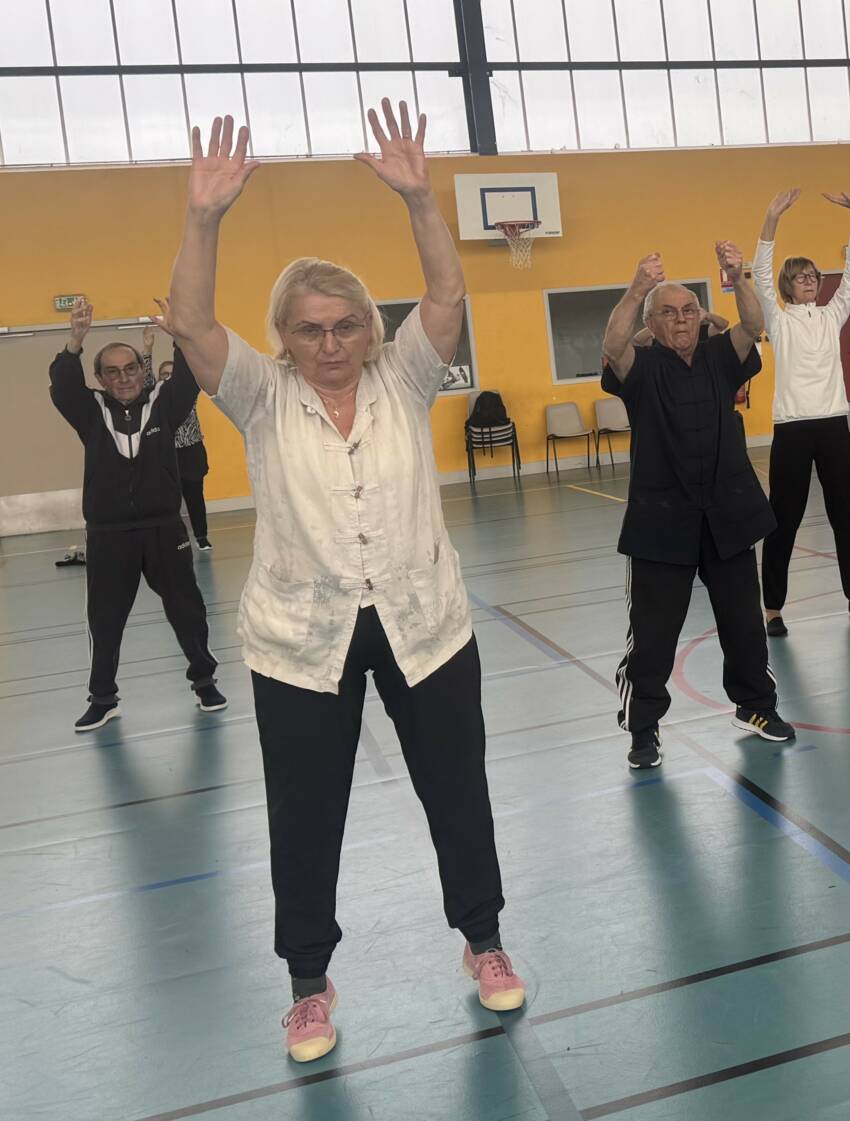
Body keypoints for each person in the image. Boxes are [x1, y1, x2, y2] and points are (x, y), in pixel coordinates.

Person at [165, 105, 525, 1063]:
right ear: (284, 338)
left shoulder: (407, 379)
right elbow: (191, 322)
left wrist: (421, 201)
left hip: (425, 625)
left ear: (371, 329)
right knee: (305, 815)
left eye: (345, 325)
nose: (329, 342)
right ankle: (308, 985)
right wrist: (203, 217)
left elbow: (446, 295)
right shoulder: (260, 395)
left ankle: (484, 939)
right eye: (309, 329)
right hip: (298, 640)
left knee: (458, 792)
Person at [601, 243, 796, 762]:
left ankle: (756, 706)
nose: (682, 319)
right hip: (661, 525)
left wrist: (738, 276)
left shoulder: (719, 358)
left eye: (689, 310)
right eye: (669, 312)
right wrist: (638, 289)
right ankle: (644, 728)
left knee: (745, 626)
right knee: (652, 638)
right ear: (652, 324)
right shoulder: (641, 369)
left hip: (728, 516)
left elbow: (752, 323)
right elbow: (614, 343)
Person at [49, 298, 222, 732]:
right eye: (112, 371)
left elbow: (190, 377)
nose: (123, 377)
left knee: (187, 609)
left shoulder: (164, 403)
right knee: (104, 619)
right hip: (109, 534)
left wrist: (179, 335)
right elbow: (62, 387)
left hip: (164, 530)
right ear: (100, 378)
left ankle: (205, 683)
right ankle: (103, 699)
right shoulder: (90, 412)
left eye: (130, 369)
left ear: (142, 372)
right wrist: (75, 340)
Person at [753, 189, 850, 637]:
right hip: (792, 430)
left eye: (812, 275)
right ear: (788, 285)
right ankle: (772, 609)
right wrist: (772, 217)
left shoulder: (831, 316)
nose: (808, 281)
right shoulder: (778, 320)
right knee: (783, 520)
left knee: (845, 513)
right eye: (800, 276)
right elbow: (760, 275)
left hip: (833, 428)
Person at [149, 311, 214, 551]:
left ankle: (201, 536)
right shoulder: (156, 398)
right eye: (164, 375)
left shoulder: (186, 394)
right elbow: (146, 381)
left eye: (172, 374)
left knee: (195, 495)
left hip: (191, 450)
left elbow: (189, 371)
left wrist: (178, 339)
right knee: (169, 500)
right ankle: (175, 538)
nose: (168, 378)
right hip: (167, 453)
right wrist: (147, 350)